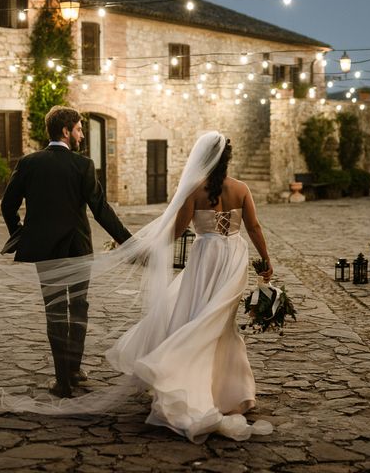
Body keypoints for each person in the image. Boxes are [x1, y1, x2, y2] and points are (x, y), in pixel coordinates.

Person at [106, 133, 273, 443]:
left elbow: (177, 231)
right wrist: (265, 260)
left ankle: (178, 370)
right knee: (221, 323)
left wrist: (146, 250)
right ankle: (230, 393)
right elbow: (253, 227)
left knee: (201, 316)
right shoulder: (241, 189)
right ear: (228, 158)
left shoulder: (194, 192)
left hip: (205, 257)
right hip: (233, 259)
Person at [0, 106, 132, 398]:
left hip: (45, 252)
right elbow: (100, 210)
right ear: (66, 131)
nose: (82, 134)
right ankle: (73, 369)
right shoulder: (82, 165)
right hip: (77, 250)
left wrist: (20, 234)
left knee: (55, 312)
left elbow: (7, 205)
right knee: (79, 307)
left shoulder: (29, 163)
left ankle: (62, 381)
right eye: (80, 129)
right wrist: (127, 240)